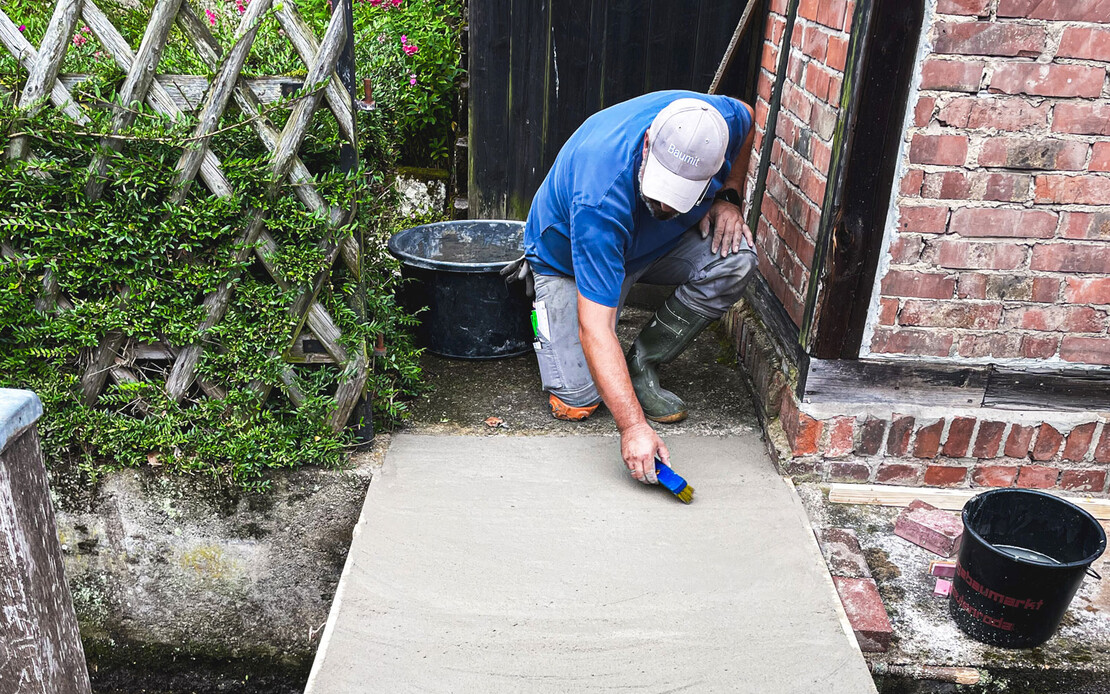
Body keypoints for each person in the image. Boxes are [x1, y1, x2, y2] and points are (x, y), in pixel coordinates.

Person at [510, 90, 758, 486]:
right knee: (578, 399)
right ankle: (543, 298)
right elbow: (595, 328)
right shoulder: (599, 197)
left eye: (681, 197)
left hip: (650, 248)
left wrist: (728, 196)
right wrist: (633, 427)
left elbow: (747, 114)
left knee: (736, 258)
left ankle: (642, 361)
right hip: (569, 261)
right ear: (647, 146)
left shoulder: (717, 124)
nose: (667, 208)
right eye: (662, 192)